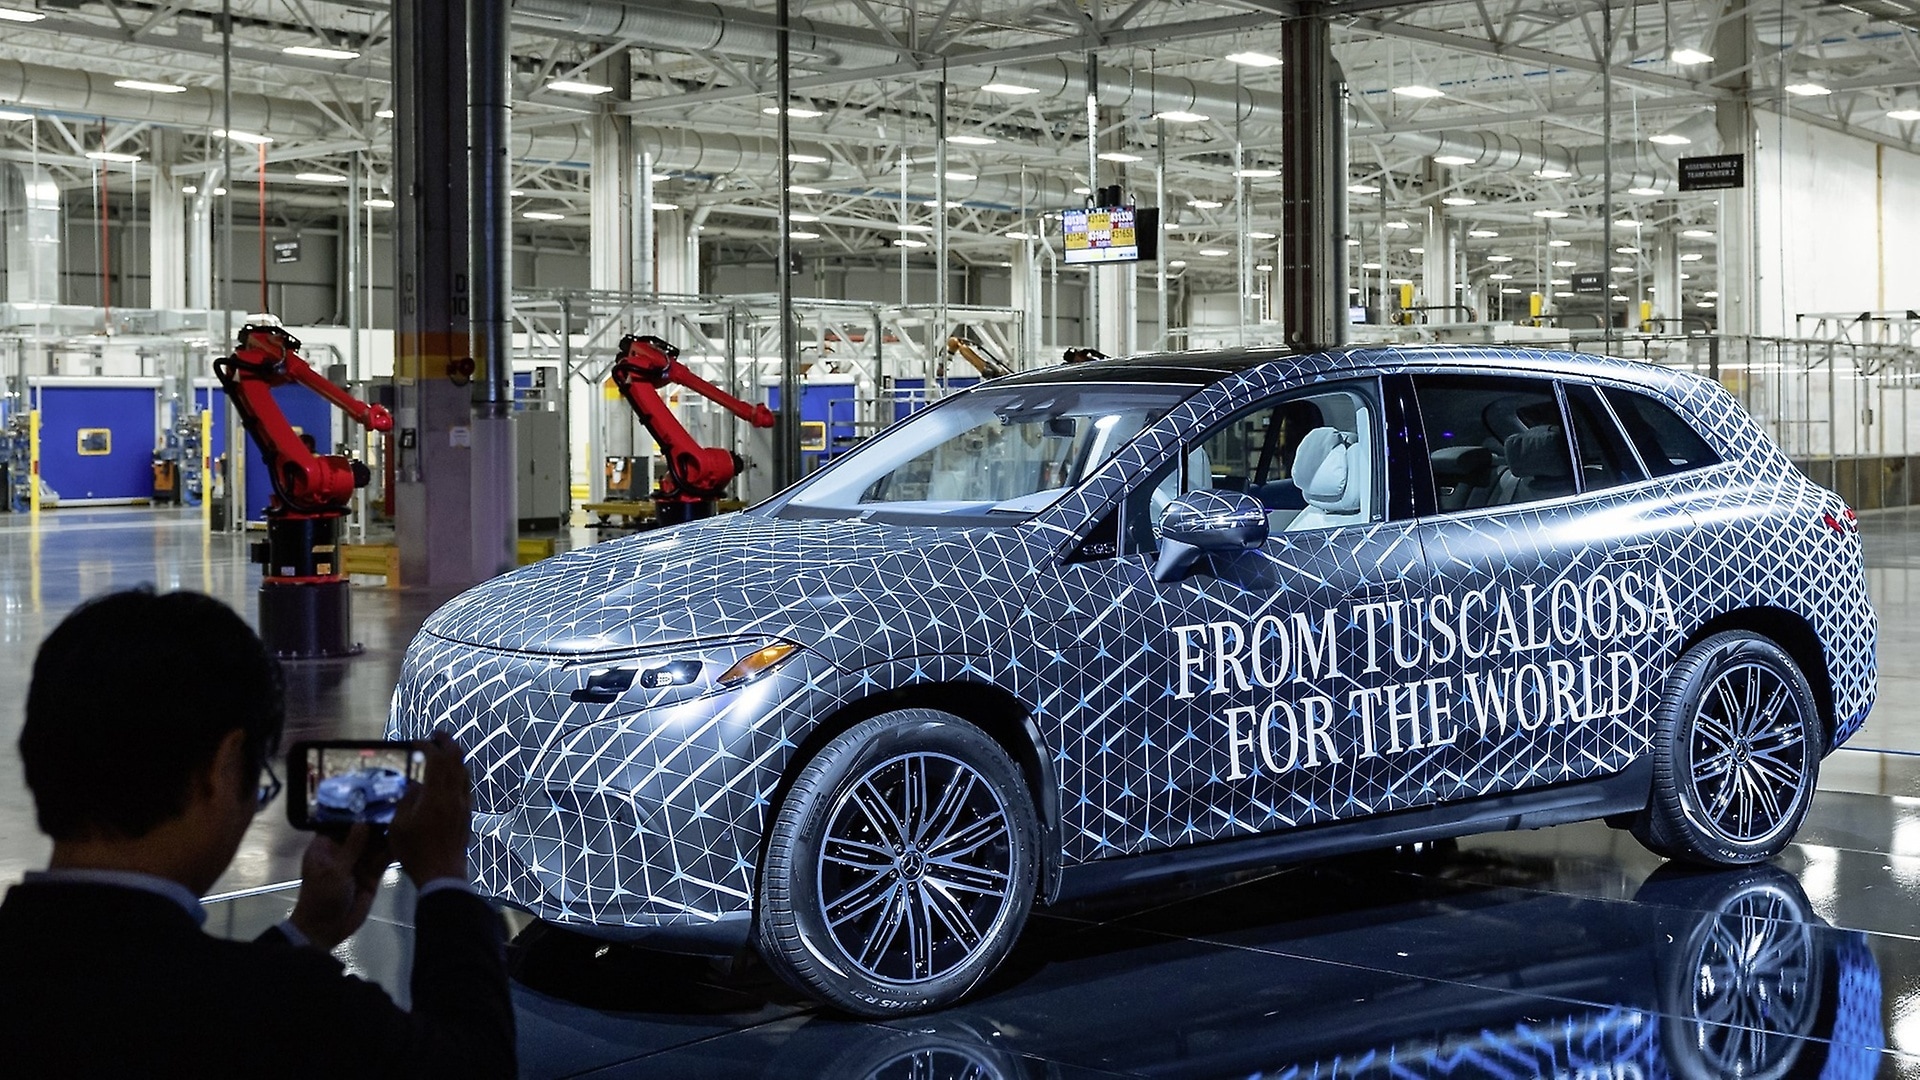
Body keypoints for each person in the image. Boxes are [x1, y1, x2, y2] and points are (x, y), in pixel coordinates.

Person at [0, 588, 516, 1077]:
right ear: (222, 770)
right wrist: (446, 882)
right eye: (258, 781)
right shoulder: (293, 1013)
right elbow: (474, 1065)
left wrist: (305, 934)